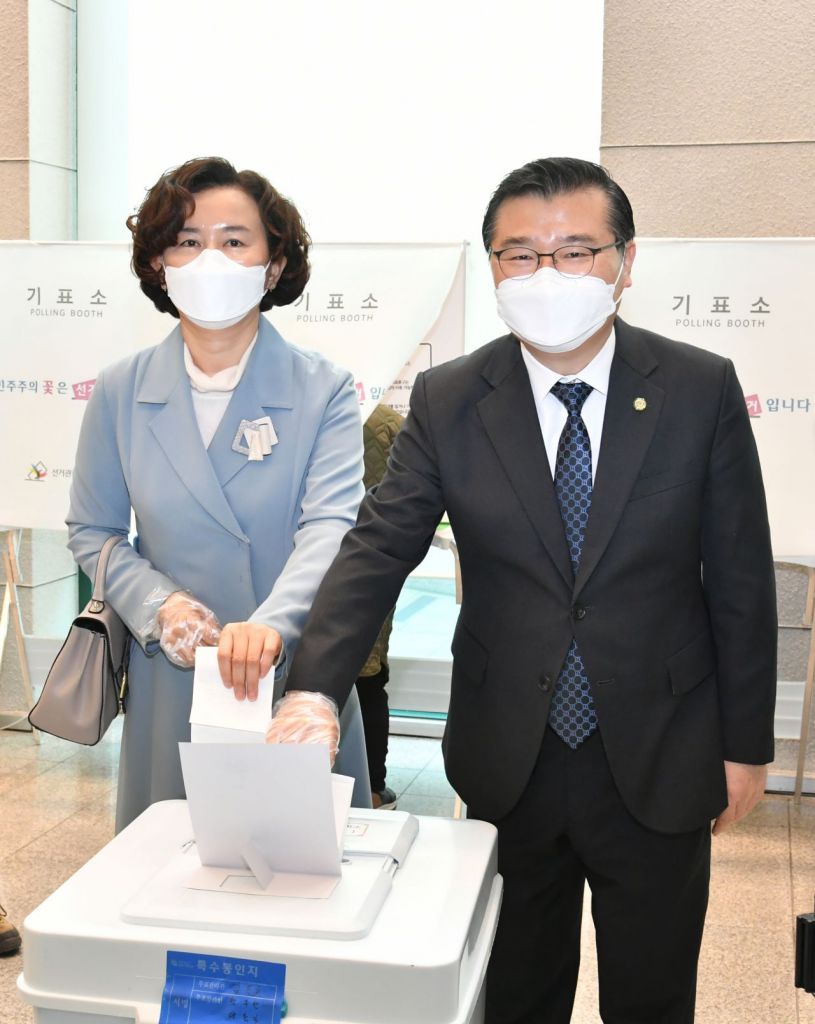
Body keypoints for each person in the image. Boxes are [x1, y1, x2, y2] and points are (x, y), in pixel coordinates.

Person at [266, 157, 777, 1023]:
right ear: (494, 267)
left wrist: (745, 745)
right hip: (509, 751)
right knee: (514, 993)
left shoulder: (697, 387)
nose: (548, 275)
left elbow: (738, 577)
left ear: (624, 260)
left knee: (652, 997)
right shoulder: (452, 398)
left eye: (575, 251)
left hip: (660, 746)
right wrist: (313, 688)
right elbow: (378, 547)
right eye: (520, 255)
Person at [67, 156, 371, 832]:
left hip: (293, 667)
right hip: (174, 671)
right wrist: (160, 605)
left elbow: (332, 528)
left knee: (302, 864)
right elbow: (93, 530)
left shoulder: (321, 389)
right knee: (172, 859)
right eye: (187, 241)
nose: (210, 260)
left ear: (273, 266)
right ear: (158, 265)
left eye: (234, 240)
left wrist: (271, 626)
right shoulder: (120, 389)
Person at [356, 402, 404, 809]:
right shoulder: (387, 421)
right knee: (369, 676)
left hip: (304, 564)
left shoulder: (305, 407)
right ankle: (373, 787)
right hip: (373, 565)